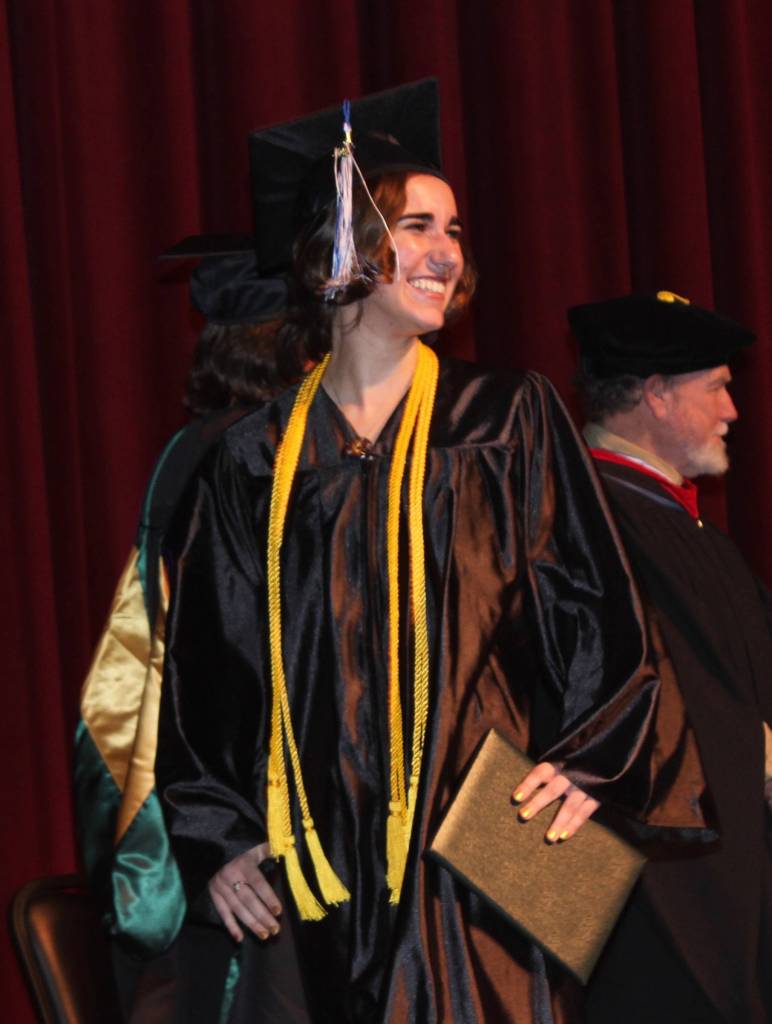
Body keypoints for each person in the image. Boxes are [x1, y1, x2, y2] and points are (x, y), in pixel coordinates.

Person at [156, 82, 711, 1024]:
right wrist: (219, 838)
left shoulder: (504, 419)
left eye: (453, 231)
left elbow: (601, 605)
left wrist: (594, 760)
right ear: (339, 245)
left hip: (482, 855)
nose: (447, 252)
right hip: (322, 868)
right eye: (416, 226)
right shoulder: (254, 458)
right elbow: (210, 671)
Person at [74, 247, 292, 1021]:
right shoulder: (250, 457)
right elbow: (226, 660)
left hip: (196, 811)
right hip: (238, 821)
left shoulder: (193, 445)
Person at [569, 290, 772, 1023]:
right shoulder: (585, 519)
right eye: (716, 388)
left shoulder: (680, 526)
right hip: (646, 897)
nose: (732, 411)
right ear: (655, 395)